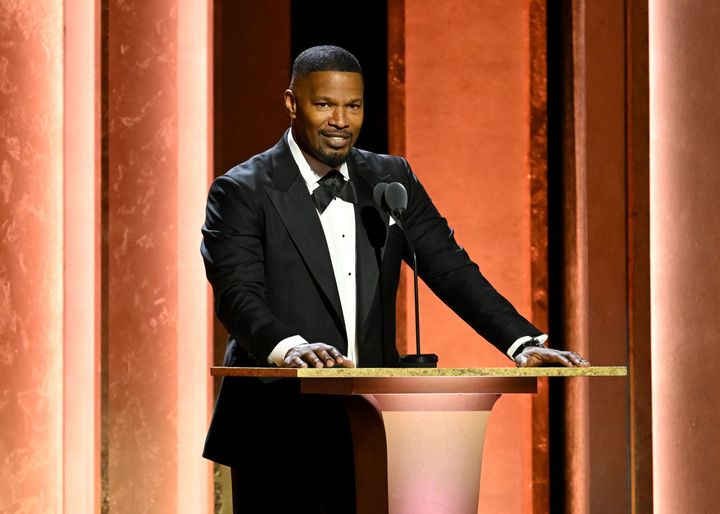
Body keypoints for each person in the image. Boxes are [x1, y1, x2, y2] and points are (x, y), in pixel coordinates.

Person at [201, 45, 588, 514]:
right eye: (324, 104)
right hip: (278, 427)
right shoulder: (241, 190)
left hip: (375, 427)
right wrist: (290, 348)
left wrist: (520, 341)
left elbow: (449, 267)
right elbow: (238, 296)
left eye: (353, 106)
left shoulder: (391, 178)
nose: (340, 120)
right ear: (291, 103)